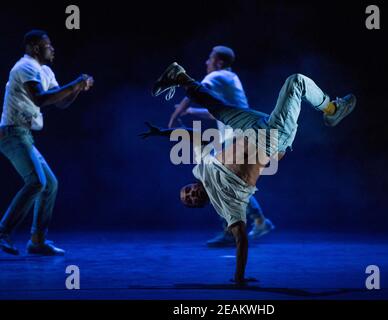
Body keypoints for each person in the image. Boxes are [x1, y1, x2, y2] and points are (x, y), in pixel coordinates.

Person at [142, 61, 356, 284]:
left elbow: (194, 136)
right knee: (296, 81)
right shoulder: (225, 204)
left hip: (249, 126)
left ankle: (179, 75)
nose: (191, 195)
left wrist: (162, 133)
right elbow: (241, 239)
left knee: (217, 109)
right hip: (272, 136)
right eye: (191, 200)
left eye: (187, 192)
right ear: (200, 204)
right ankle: (333, 110)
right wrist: (238, 278)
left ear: (191, 185)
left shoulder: (202, 168)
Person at [167, 46, 274, 247]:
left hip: (238, 136)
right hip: (242, 135)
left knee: (215, 178)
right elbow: (213, 113)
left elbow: (194, 89)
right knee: (227, 183)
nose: (206, 63)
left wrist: (175, 115)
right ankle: (257, 222)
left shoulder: (220, 75)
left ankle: (239, 227)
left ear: (220, 62)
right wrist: (190, 111)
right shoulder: (229, 80)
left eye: (210, 59)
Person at [0, 30, 94, 256]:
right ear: (35, 47)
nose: (52, 49)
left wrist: (78, 89)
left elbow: (60, 102)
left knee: (49, 184)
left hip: (24, 135)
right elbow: (40, 99)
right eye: (47, 45)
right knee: (36, 182)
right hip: (12, 133)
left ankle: (37, 241)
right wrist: (74, 84)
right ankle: (2, 231)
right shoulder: (24, 67)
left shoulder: (45, 71)